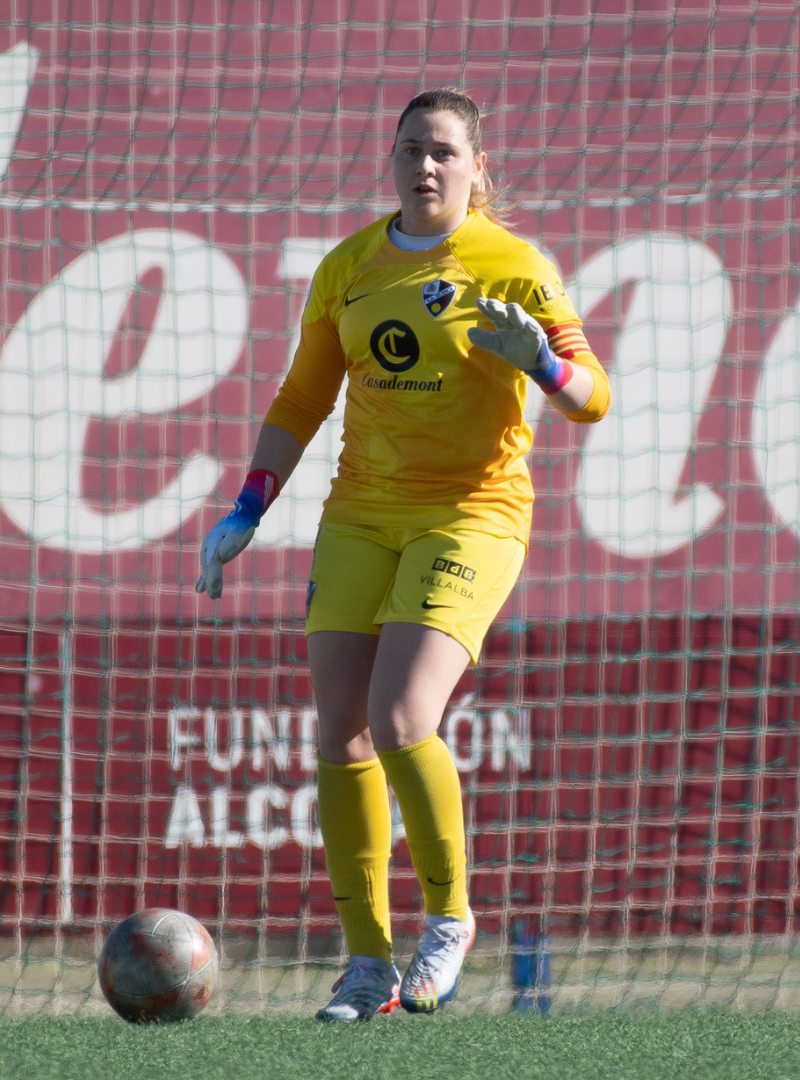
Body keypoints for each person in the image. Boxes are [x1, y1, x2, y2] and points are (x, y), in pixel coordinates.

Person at [194, 87, 612, 1022]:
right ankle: (366, 963)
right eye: (411, 149)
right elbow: (300, 401)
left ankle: (451, 918)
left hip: (472, 515)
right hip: (359, 515)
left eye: (444, 153)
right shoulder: (348, 267)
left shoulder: (512, 265)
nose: (425, 166)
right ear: (392, 160)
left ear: (476, 169)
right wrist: (246, 509)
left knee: (400, 713)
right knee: (337, 729)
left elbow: (595, 396)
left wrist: (542, 364)